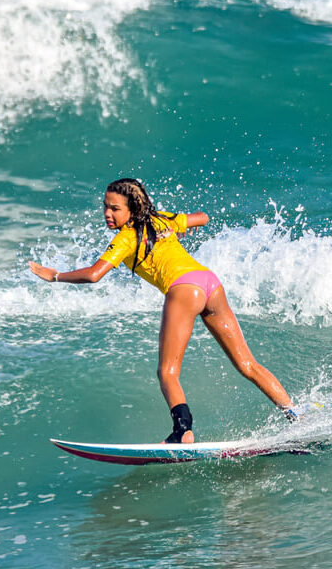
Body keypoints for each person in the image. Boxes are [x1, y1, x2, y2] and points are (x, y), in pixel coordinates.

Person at [29, 177, 295, 443]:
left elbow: (93, 275)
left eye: (115, 208)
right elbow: (203, 217)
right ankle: (295, 415)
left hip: (184, 289)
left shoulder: (126, 237)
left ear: (132, 208)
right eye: (105, 206)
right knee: (247, 364)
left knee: (167, 372)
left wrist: (56, 276)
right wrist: (176, 228)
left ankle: (183, 433)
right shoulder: (161, 219)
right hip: (210, 283)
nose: (108, 214)